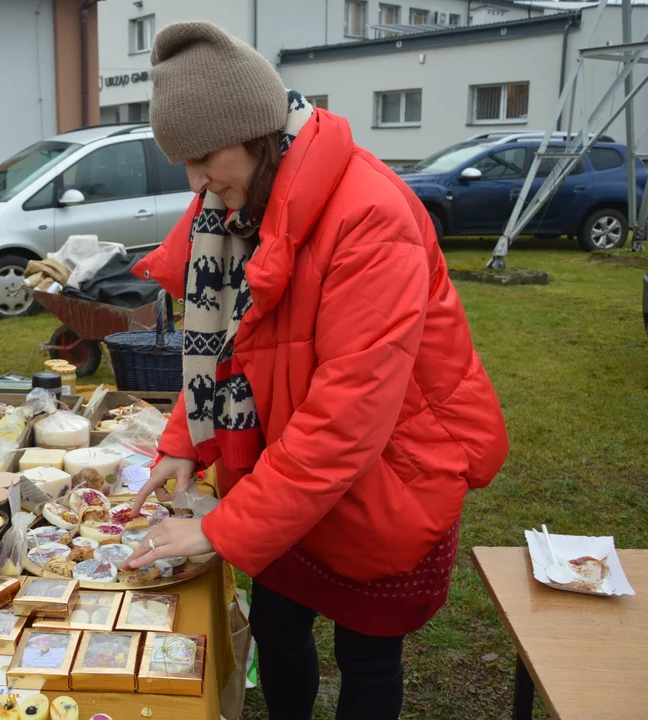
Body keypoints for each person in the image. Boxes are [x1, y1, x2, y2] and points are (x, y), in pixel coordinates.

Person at [123, 22, 508, 720]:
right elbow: (228, 344)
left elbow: (348, 420)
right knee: (276, 627)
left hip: (389, 478)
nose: (195, 182)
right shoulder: (238, 207)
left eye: (204, 156)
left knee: (365, 657)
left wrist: (219, 530)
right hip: (289, 474)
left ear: (255, 132)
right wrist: (184, 437)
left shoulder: (370, 216)